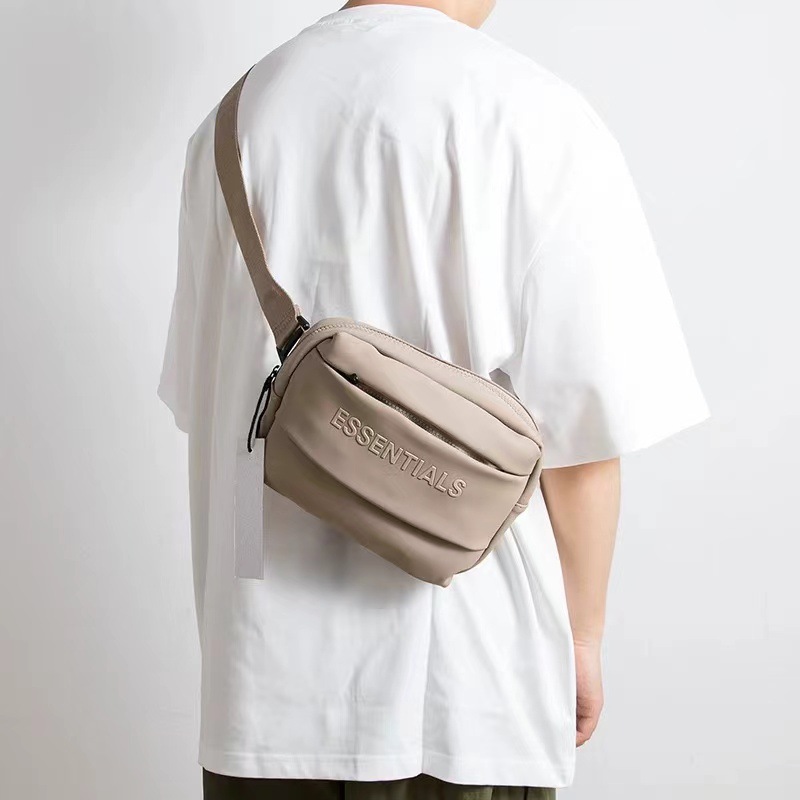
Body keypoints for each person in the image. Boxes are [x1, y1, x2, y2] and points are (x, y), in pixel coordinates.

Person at [158, 1, 709, 798]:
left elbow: (216, 414)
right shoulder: (536, 115)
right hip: (465, 691)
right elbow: (583, 438)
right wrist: (583, 640)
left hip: (260, 693)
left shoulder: (230, 123)